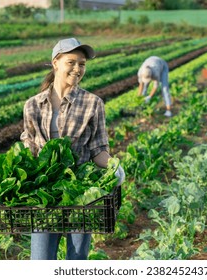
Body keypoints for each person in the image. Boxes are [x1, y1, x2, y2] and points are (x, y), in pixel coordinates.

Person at [20, 38, 125, 260]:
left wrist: (114, 166)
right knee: (40, 261)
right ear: (55, 62)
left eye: (82, 64)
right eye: (71, 62)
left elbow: (98, 149)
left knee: (76, 261)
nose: (77, 69)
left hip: (80, 194)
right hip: (45, 195)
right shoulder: (32, 105)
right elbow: (30, 151)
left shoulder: (93, 103)